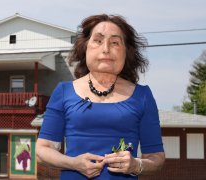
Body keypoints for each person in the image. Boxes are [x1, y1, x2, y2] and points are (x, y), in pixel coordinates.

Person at [36, 14, 165, 179]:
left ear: (126, 52)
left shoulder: (142, 96)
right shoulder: (63, 92)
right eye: (98, 40)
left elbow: (156, 158)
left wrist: (136, 165)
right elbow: (42, 150)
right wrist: (73, 163)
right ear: (85, 47)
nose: (106, 49)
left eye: (115, 43)